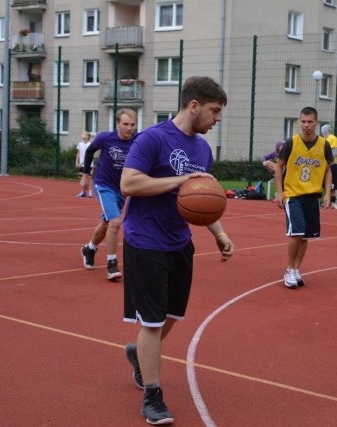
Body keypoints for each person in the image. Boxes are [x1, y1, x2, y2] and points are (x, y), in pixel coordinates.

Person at [120, 76, 234, 425]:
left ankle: (138, 351)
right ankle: (152, 396)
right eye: (214, 111)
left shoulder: (203, 149)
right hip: (145, 239)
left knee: (172, 316)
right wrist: (178, 180)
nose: (217, 119)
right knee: (153, 322)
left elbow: (200, 201)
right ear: (194, 105)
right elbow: (129, 182)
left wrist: (219, 232)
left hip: (179, 242)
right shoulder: (152, 138)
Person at [274, 106, 333, 289]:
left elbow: (328, 169)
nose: (306, 125)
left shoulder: (324, 145)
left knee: (306, 236)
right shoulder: (291, 142)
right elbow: (278, 166)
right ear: (300, 122)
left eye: (310, 122)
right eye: (303, 121)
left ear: (316, 123)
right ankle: (289, 269)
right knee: (296, 232)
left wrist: (327, 193)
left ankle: (297, 269)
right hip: (293, 195)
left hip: (312, 196)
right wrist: (279, 192)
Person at [80, 108, 137, 281]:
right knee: (115, 221)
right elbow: (90, 152)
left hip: (122, 189)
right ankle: (111, 264)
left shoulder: (138, 139)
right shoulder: (106, 138)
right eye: (125, 124)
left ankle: (89, 248)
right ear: (118, 124)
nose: (129, 128)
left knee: (107, 222)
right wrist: (85, 175)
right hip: (103, 185)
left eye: (132, 125)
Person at [321, 124, 337, 209]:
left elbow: (334, 152)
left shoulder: (332, 138)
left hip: (331, 164)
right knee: (324, 183)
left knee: (332, 184)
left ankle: (333, 202)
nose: (322, 131)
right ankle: (326, 201)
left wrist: (326, 159)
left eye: (323, 130)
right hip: (323, 165)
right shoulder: (323, 139)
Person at [75, 131, 94, 198]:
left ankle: (90, 192)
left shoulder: (90, 144)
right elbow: (78, 153)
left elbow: (89, 155)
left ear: (87, 136)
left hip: (89, 164)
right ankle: (83, 192)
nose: (82, 135)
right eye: (82, 134)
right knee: (82, 178)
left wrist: (82, 162)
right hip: (81, 165)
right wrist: (76, 162)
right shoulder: (80, 144)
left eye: (84, 134)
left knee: (89, 178)